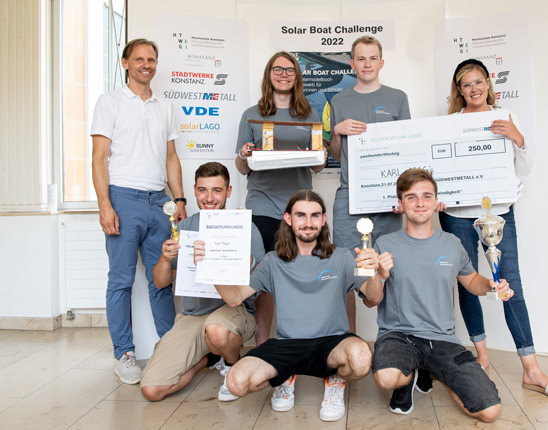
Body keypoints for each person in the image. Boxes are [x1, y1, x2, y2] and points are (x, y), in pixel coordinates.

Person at [437, 59, 548, 401]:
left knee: (512, 286)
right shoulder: (448, 124)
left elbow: (524, 167)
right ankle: (482, 356)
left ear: (488, 82)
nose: (473, 88)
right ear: (459, 90)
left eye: (478, 81)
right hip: (456, 216)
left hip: (498, 216)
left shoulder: (507, 116)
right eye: (466, 84)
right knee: (467, 286)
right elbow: (439, 168)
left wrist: (517, 137)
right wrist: (438, 197)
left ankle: (532, 368)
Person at [199, 190, 387, 422]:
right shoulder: (272, 261)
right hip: (287, 345)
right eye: (301, 215)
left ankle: (334, 379)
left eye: (315, 215)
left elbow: (374, 298)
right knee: (236, 383)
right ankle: (284, 378)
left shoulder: (342, 257)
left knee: (361, 359)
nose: (308, 223)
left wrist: (374, 272)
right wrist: (210, 267)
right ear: (288, 219)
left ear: (323, 219)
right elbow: (235, 297)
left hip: (332, 343)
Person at [370, 168, 513, 421]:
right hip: (398, 335)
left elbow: (472, 282)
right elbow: (372, 300)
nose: (420, 203)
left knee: (490, 411)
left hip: (442, 338)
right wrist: (379, 275)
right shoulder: (384, 244)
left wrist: (492, 284)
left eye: (427, 196)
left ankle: (431, 370)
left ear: (436, 202)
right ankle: (410, 376)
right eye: (411, 197)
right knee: (387, 376)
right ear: (400, 204)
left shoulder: (451, 243)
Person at [91, 38, 186, 385]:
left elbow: (171, 156)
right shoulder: (110, 102)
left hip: (158, 200)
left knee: (162, 278)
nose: (147, 64)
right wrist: (105, 205)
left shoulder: (165, 106)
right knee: (120, 280)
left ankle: (171, 347)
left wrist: (179, 199)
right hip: (122, 197)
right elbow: (98, 158)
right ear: (125, 63)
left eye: (152, 59)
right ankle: (124, 353)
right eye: (140, 59)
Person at [140, 162, 265, 403]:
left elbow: (262, 282)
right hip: (193, 316)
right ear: (194, 191)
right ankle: (207, 360)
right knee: (152, 391)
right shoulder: (183, 227)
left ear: (228, 192)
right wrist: (165, 260)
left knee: (217, 332)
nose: (209, 197)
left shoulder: (245, 228)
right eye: (202, 190)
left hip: (233, 312)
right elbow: (159, 282)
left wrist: (245, 261)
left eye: (217, 190)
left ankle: (231, 364)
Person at [235, 51, 326, 347]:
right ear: (269, 74)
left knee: (300, 275)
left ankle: (299, 340)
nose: (283, 74)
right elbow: (240, 167)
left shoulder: (309, 115)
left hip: (299, 209)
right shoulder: (252, 114)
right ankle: (263, 346)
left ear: (297, 76)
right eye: (278, 69)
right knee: (263, 280)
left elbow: (316, 166)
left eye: (290, 70)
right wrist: (244, 154)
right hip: (261, 203)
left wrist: (321, 156)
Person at [329, 35, 411, 334]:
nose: (366, 64)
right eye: (360, 58)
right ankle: (346, 339)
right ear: (352, 63)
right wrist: (336, 132)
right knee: (346, 269)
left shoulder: (398, 98)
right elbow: (338, 154)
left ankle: (392, 339)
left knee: (388, 268)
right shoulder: (339, 101)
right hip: (349, 196)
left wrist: (403, 197)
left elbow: (407, 149)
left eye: (372, 58)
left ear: (381, 62)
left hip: (389, 197)